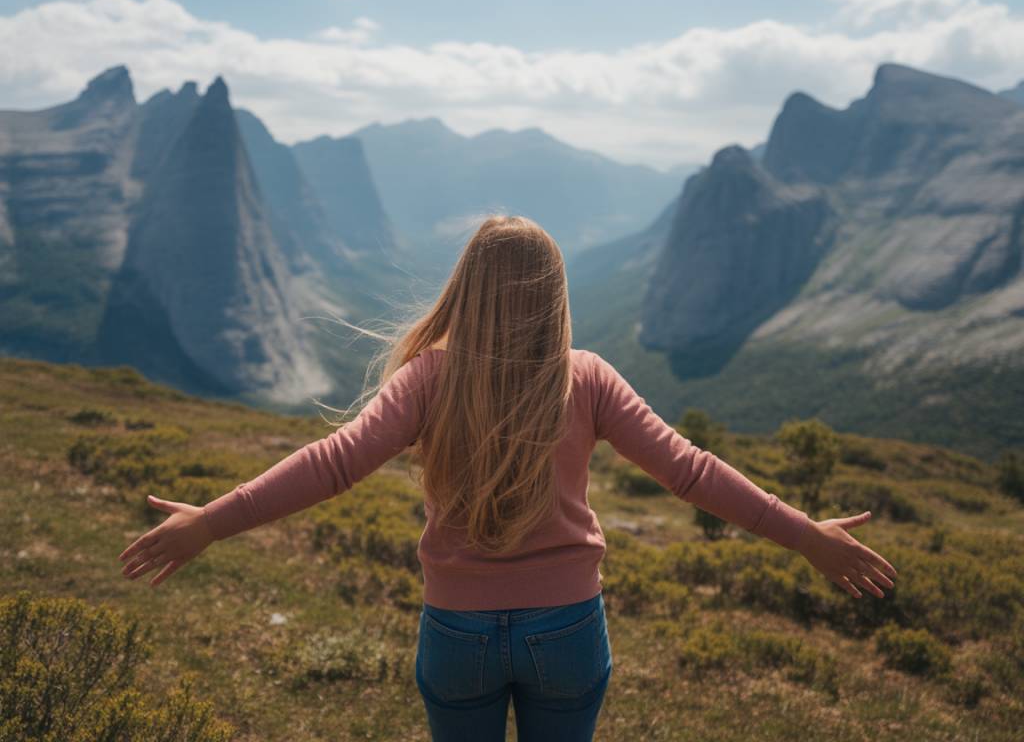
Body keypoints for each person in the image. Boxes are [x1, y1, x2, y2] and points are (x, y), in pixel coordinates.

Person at [118, 214, 898, 742]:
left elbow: (334, 463)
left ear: (468, 289)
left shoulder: (429, 377)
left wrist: (210, 521)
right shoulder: (586, 377)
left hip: (456, 632)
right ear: (555, 295)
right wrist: (806, 537)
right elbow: (690, 472)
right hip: (568, 628)